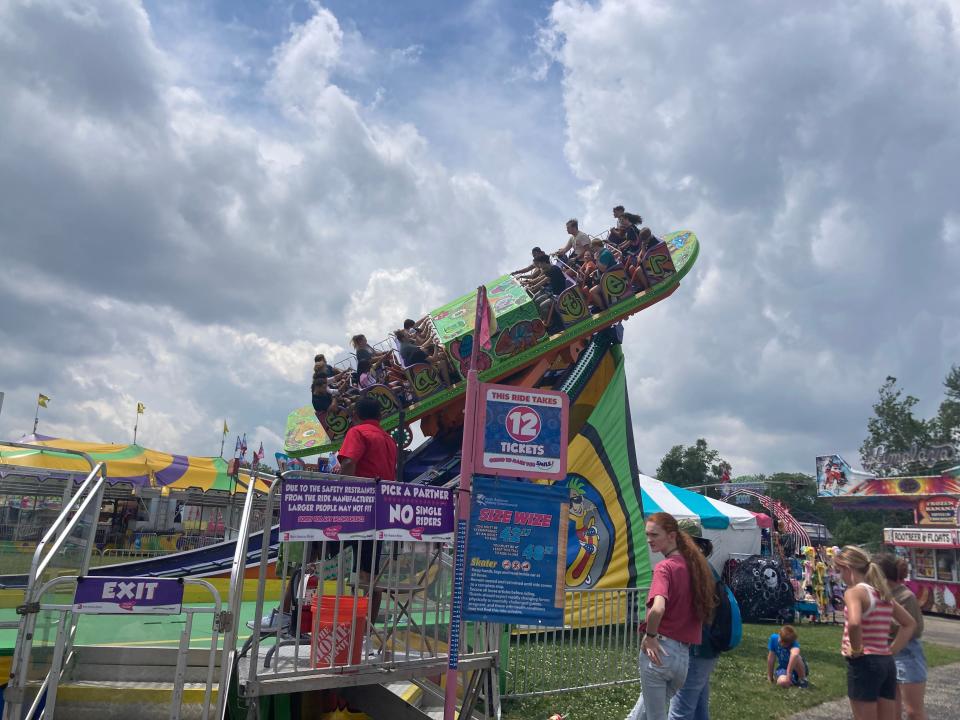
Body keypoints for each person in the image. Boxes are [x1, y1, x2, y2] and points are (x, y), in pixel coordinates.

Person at [625, 512, 716, 720]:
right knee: (639, 715)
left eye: (655, 535)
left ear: (672, 536)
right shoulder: (696, 569)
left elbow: (658, 608)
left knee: (654, 716)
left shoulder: (665, 567)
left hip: (659, 653)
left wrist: (650, 636)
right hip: (683, 660)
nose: (649, 540)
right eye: (647, 535)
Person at [834, 545, 916, 720]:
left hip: (864, 663)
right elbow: (909, 623)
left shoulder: (854, 592)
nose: (840, 576)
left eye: (840, 571)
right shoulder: (882, 594)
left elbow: (855, 623)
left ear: (848, 568)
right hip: (886, 662)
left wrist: (856, 650)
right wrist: (891, 650)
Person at [668, 532, 720, 720]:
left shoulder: (691, 569)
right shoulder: (706, 566)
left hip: (696, 648)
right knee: (698, 707)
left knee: (680, 711)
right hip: (708, 647)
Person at [876, 554, 927, 720]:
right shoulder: (878, 594)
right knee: (891, 711)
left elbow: (914, 628)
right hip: (886, 651)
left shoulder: (905, 596)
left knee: (914, 711)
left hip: (907, 653)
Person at [766, 624, 809, 688]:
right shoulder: (774, 639)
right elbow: (771, 659)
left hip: (797, 668)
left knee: (796, 657)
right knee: (782, 682)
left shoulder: (794, 644)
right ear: (779, 634)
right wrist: (770, 676)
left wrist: (788, 675)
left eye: (787, 643)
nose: (783, 644)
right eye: (782, 641)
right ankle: (793, 681)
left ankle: (802, 679)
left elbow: (794, 655)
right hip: (783, 669)